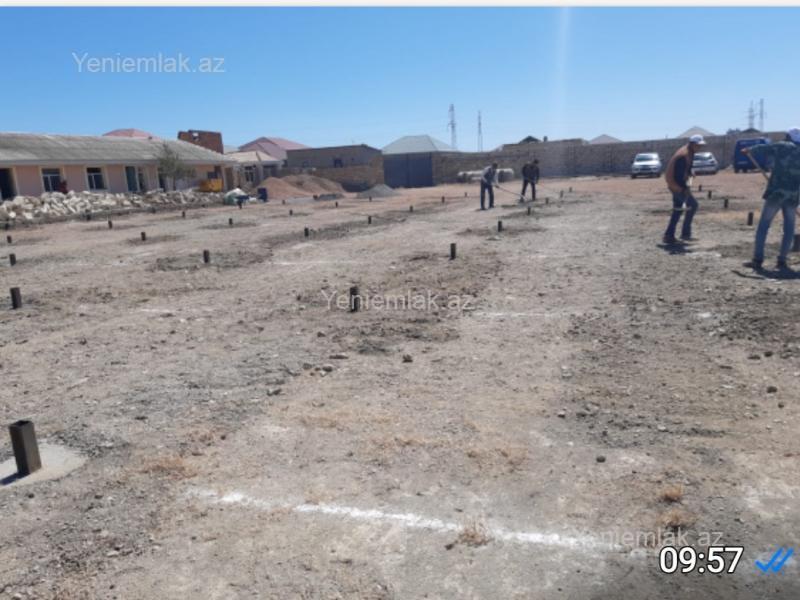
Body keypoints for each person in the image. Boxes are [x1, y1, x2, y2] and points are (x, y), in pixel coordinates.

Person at [744, 128, 800, 271]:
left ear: (788, 136)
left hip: (776, 193)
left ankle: (757, 260)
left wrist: (749, 150)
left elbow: (764, 148)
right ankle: (782, 261)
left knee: (764, 226)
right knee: (789, 229)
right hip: (793, 196)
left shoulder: (783, 146)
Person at [663, 134, 706, 244]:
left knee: (678, 210)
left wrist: (691, 172)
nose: (699, 148)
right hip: (676, 185)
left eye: (700, 146)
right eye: (697, 145)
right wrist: (684, 189)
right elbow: (678, 176)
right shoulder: (683, 155)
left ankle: (669, 235)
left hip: (676, 185)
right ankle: (684, 234)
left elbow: (688, 168)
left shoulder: (690, 152)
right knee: (693, 205)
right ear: (691, 144)